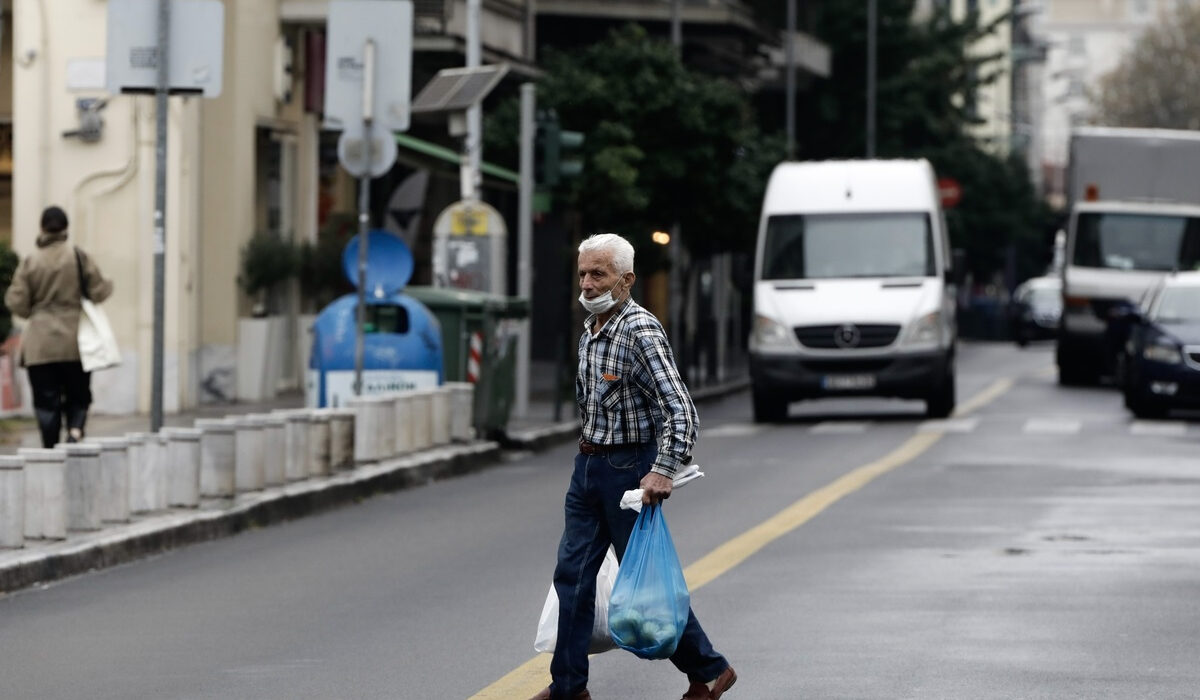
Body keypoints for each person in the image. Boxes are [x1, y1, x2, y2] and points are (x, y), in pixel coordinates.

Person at [531, 233, 736, 700]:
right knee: (573, 577)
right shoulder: (592, 328)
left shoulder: (639, 330)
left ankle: (709, 669)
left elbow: (681, 409)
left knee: (645, 585)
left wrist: (662, 469)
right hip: (588, 467)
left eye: (597, 274)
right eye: (582, 273)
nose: (586, 283)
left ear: (626, 281)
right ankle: (568, 688)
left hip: (629, 471)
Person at [4, 206, 113, 447]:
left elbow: (16, 301)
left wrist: (36, 311)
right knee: (78, 394)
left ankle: (50, 449)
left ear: (42, 228)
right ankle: (75, 431)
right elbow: (100, 290)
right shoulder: (78, 256)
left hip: (40, 345)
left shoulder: (31, 262)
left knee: (46, 401)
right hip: (76, 341)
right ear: (66, 228)